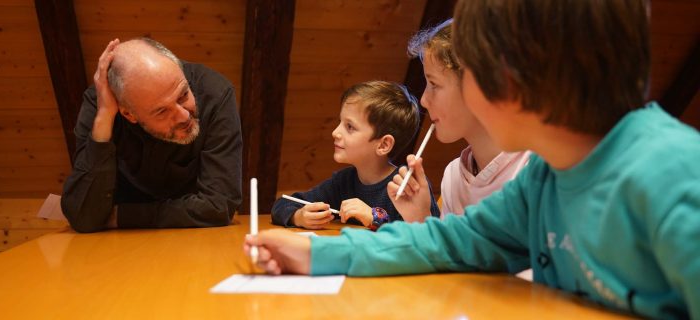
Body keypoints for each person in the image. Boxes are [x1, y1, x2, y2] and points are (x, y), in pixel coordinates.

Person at [245, 1, 700, 318]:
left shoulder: (674, 177)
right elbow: (446, 243)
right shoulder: (545, 175)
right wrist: (318, 252)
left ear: (516, 79)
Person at [61, 38, 243, 233]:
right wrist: (104, 118)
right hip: (120, 246)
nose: (184, 115)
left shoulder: (215, 93)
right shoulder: (102, 106)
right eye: (162, 111)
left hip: (195, 239)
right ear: (128, 114)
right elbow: (82, 216)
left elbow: (219, 205)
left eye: (183, 95)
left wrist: (121, 216)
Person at [392, 19, 531, 223]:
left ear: (478, 87)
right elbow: (449, 256)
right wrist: (419, 219)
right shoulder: (453, 177)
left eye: (433, 84)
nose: (423, 100)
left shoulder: (533, 172)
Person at [271, 81, 441, 230]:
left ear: (383, 145)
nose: (335, 132)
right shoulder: (342, 182)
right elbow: (282, 203)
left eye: (350, 127)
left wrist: (374, 218)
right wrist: (299, 216)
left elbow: (428, 235)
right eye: (340, 122)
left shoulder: (407, 184)